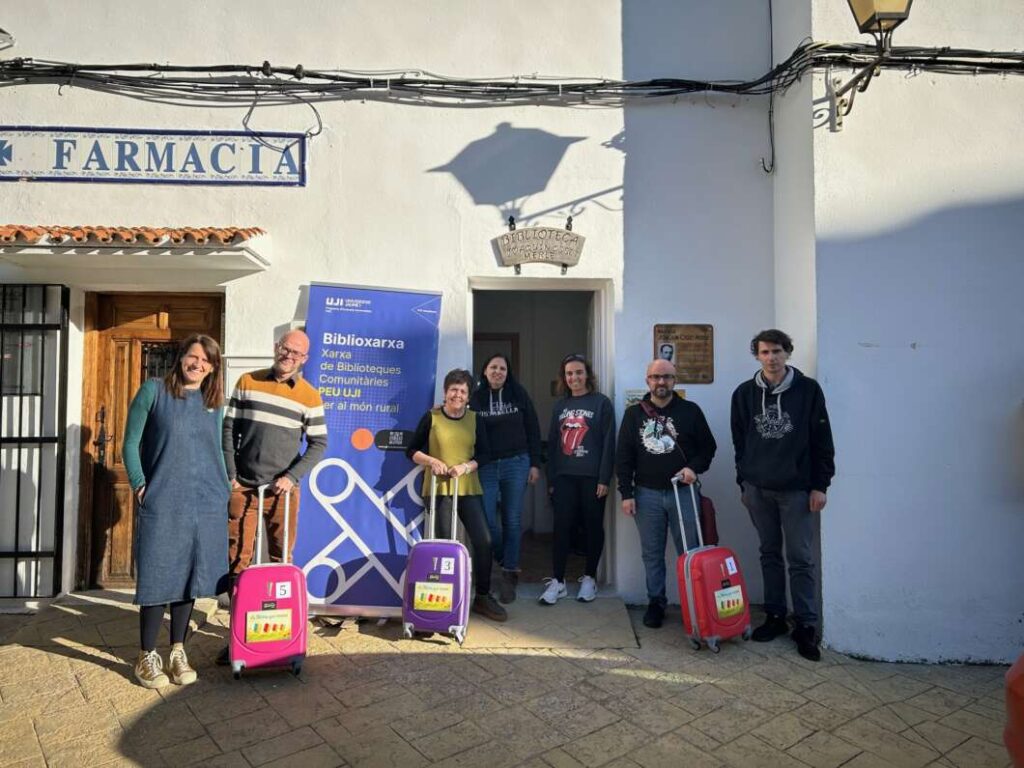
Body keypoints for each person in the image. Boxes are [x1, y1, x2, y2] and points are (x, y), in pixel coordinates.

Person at [123, 334, 230, 688]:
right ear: (181, 357)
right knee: (158, 574)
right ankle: (146, 656)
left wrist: (226, 486)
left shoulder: (213, 403)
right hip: (164, 498)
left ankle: (177, 650)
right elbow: (130, 443)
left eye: (205, 360)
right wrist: (140, 485)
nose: (197, 364)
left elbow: (216, 448)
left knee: (190, 575)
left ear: (213, 367)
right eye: (192, 357)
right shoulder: (153, 391)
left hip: (205, 501)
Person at [216, 329, 327, 665]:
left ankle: (279, 637)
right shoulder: (248, 381)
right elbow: (227, 429)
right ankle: (238, 636)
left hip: (282, 492)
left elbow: (319, 444)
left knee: (282, 559)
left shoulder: (310, 396)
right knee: (239, 560)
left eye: (296, 353)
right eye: (285, 348)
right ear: (276, 347)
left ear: (304, 359)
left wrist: (291, 478)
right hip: (245, 488)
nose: (288, 356)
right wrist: (231, 474)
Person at [731, 329, 835, 662]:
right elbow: (740, 441)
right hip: (758, 489)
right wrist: (744, 483)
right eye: (764, 352)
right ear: (757, 355)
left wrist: (820, 485)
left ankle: (805, 624)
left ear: (788, 353)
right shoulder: (744, 394)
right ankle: (775, 616)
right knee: (769, 552)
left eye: (777, 351)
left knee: (801, 558)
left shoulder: (808, 391)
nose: (771, 358)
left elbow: (822, 440)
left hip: (796, 491)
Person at [616, 358, 717, 628]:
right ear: (647, 380)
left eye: (667, 377)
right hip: (646, 494)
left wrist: (693, 468)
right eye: (656, 377)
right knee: (652, 553)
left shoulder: (691, 411)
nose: (661, 382)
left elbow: (708, 449)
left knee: (690, 552)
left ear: (675, 380)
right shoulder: (633, 414)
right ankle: (656, 603)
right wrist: (626, 493)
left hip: (683, 493)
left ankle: (694, 605)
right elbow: (623, 457)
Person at [407, 368, 507, 622]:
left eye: (463, 391)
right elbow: (411, 450)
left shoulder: (475, 419)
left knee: (483, 541)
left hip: (467, 488)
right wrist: (431, 461)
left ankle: (482, 597)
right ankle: (443, 601)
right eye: (454, 389)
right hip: (440, 490)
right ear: (445, 391)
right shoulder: (431, 417)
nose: (458, 395)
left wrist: (466, 466)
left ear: (468, 395)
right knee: (445, 546)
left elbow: (484, 454)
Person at [541, 354, 615, 605]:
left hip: (593, 478)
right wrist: (551, 477)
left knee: (593, 527)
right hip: (564, 477)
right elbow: (552, 444)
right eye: (569, 373)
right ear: (564, 378)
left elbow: (608, 444)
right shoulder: (560, 407)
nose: (574, 378)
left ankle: (589, 578)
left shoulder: (602, 403)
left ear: (588, 375)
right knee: (562, 528)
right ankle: (558, 581)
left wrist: (604, 477)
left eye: (579, 372)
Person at [469, 353, 542, 603]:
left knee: (512, 520)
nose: (498, 371)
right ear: (485, 371)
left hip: (517, 463)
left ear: (507, 372)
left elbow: (533, 428)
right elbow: (461, 422)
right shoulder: (476, 398)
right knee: (487, 522)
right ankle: (503, 557)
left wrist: (535, 463)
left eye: (502, 368)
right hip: (486, 466)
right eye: (493, 367)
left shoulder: (518, 394)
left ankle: (509, 574)